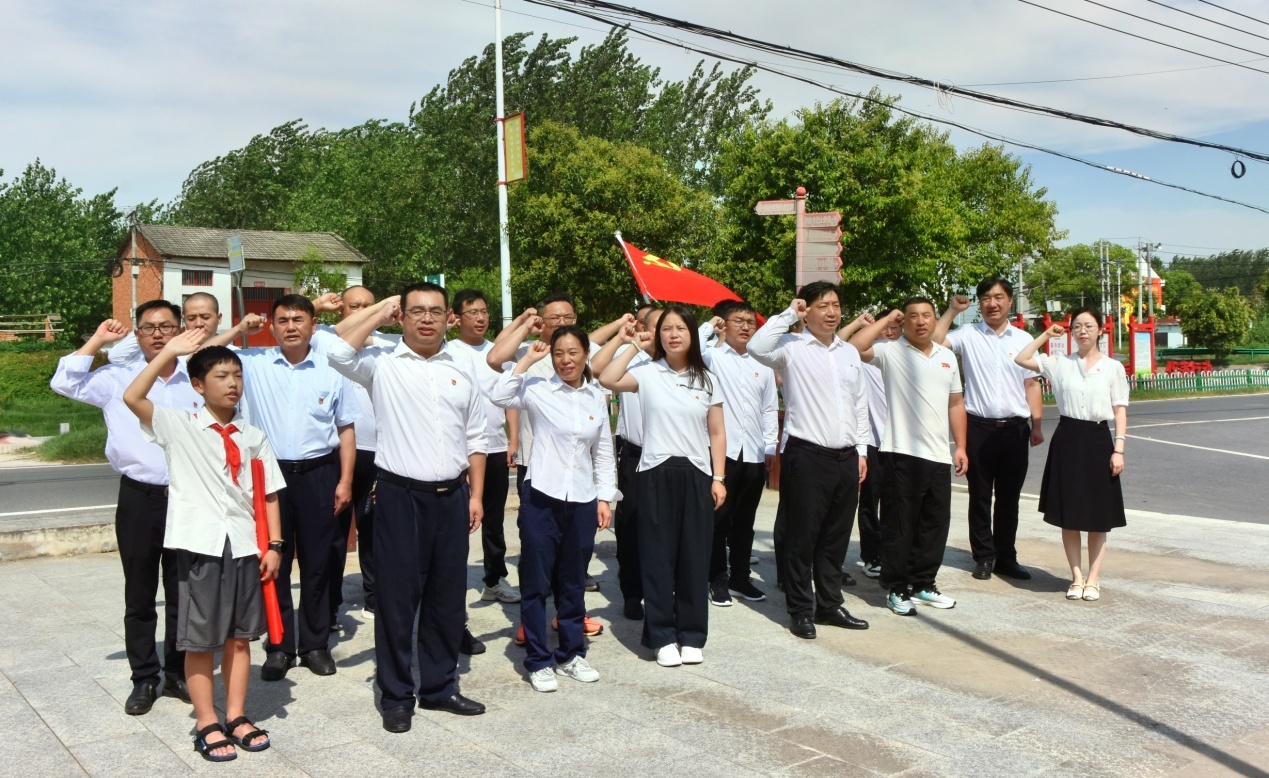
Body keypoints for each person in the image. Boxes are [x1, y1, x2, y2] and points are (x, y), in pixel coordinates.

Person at [327, 284, 489, 732]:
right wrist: (378, 312)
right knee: (397, 602)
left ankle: (439, 687)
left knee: (446, 598)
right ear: (402, 317)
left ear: (448, 318)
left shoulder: (461, 368)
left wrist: (475, 495)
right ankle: (396, 695)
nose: (426, 319)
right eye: (416, 311)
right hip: (400, 497)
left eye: (435, 311)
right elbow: (337, 353)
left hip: (452, 497)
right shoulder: (381, 363)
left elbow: (476, 436)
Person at [123, 334, 285, 762]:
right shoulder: (179, 426)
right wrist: (169, 353)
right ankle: (206, 721)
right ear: (198, 385)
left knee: (240, 638)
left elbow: (269, 493)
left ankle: (236, 715)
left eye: (237, 376)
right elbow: (132, 397)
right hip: (201, 546)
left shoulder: (253, 435)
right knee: (200, 640)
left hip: (245, 545)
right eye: (221, 376)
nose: (232, 384)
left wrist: (275, 545)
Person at [50, 303, 201, 715]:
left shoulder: (196, 379)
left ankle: (177, 673)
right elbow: (64, 382)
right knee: (139, 594)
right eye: (148, 328)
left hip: (189, 497)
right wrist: (99, 340)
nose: (157, 334)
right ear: (137, 335)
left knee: (183, 592)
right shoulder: (117, 378)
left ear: (179, 330)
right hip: (139, 498)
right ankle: (144, 678)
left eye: (166, 326)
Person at [214, 295, 360, 680]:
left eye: (298, 319)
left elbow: (346, 430)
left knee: (318, 563)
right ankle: (279, 646)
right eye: (282, 320)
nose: (291, 327)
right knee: (273, 562)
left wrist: (345, 481)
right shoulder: (254, 364)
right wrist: (240, 328)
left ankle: (314, 645)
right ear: (272, 326)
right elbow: (205, 353)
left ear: (314, 325)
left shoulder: (333, 370)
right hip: (269, 475)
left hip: (320, 474)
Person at [491, 327, 618, 692]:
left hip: (581, 499)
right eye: (559, 353)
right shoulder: (537, 389)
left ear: (586, 355)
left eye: (573, 352)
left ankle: (572, 654)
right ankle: (537, 659)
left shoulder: (596, 396)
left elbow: (603, 452)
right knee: (535, 582)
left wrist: (604, 497)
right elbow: (499, 394)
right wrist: (527, 361)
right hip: (541, 497)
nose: (565, 360)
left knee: (574, 581)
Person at [598, 307, 726, 667]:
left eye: (680, 328)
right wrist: (633, 346)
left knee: (694, 558)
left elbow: (717, 432)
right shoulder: (647, 373)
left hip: (697, 474)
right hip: (654, 472)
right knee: (657, 558)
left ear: (692, 335)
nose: (673, 334)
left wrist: (719, 478)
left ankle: (692, 635)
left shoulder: (708, 380)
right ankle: (662, 636)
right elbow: (606, 377)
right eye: (666, 329)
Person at [749, 283, 870, 639]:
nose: (831, 312)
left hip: (846, 456)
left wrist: (862, 451)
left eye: (836, 305)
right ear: (808, 311)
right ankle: (801, 609)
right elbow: (756, 346)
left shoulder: (849, 352)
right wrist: (789, 314)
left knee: (836, 536)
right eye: (822, 305)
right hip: (807, 455)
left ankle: (829, 604)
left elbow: (859, 403)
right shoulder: (791, 347)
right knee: (802, 537)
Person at [850, 300, 968, 617]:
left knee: (934, 525)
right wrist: (887, 319)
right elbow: (855, 347)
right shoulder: (890, 351)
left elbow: (956, 403)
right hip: (900, 453)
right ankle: (897, 589)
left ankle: (923, 584)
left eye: (926, 315)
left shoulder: (946, 357)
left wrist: (960, 447)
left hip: (938, 455)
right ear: (903, 323)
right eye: (913, 316)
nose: (920, 321)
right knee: (900, 526)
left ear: (935, 320)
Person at [934, 278, 1044, 581]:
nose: (992, 304)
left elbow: (1031, 384)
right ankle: (983, 556)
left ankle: (1006, 557)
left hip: (1015, 430)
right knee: (980, 496)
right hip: (978, 428)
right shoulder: (967, 334)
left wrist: (1036, 424)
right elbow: (935, 342)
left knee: (1009, 498)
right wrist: (952, 312)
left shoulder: (1023, 338)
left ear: (1010, 301)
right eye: (985, 298)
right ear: (980, 303)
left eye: (998, 297)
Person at [1014, 309, 1128, 602]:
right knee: (1070, 515)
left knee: (1099, 517)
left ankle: (1094, 579)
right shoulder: (1059, 363)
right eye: (1077, 326)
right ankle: (1077, 578)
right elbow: (1021, 358)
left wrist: (1118, 449)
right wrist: (1045, 334)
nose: (1083, 331)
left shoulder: (1113, 367)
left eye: (1089, 326)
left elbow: (1119, 409)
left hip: (1099, 440)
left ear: (1100, 330)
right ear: (1071, 332)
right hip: (1068, 439)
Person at [697, 301, 778, 607]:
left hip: (754, 452)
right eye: (738, 321)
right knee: (718, 519)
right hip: (722, 453)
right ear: (725, 324)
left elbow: (769, 408)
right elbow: (692, 345)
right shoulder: (713, 357)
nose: (745, 327)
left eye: (750, 322)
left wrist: (770, 446)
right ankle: (716, 579)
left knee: (745, 521)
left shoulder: (763, 364)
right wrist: (710, 325)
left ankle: (740, 578)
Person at [447, 289, 521, 606]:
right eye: (472, 312)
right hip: (458, 452)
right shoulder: (447, 351)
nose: (480, 318)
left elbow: (510, 398)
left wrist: (513, 439)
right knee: (455, 520)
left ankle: (494, 579)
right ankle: (448, 582)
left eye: (484, 311)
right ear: (456, 317)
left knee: (493, 520)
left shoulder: (499, 352)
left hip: (495, 448)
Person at [590, 304, 657, 620]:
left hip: (671, 459)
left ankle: (661, 589)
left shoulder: (679, 362)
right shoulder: (628, 356)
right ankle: (632, 592)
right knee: (630, 525)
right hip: (634, 453)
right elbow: (596, 368)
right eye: (649, 323)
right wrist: (625, 339)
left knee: (663, 528)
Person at [838, 312, 898, 580]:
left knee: (897, 502)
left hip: (900, 443)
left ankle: (892, 554)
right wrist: (861, 324)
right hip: (872, 441)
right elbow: (843, 343)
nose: (889, 332)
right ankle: (872, 555)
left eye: (894, 327)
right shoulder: (864, 357)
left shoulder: (904, 355)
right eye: (884, 327)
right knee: (870, 502)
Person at [106, 291, 225, 366]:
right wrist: (148, 328)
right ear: (183, 322)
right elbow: (116, 357)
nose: (199, 323)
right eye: (191, 318)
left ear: (219, 318)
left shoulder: (232, 353)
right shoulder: (171, 353)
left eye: (205, 317)